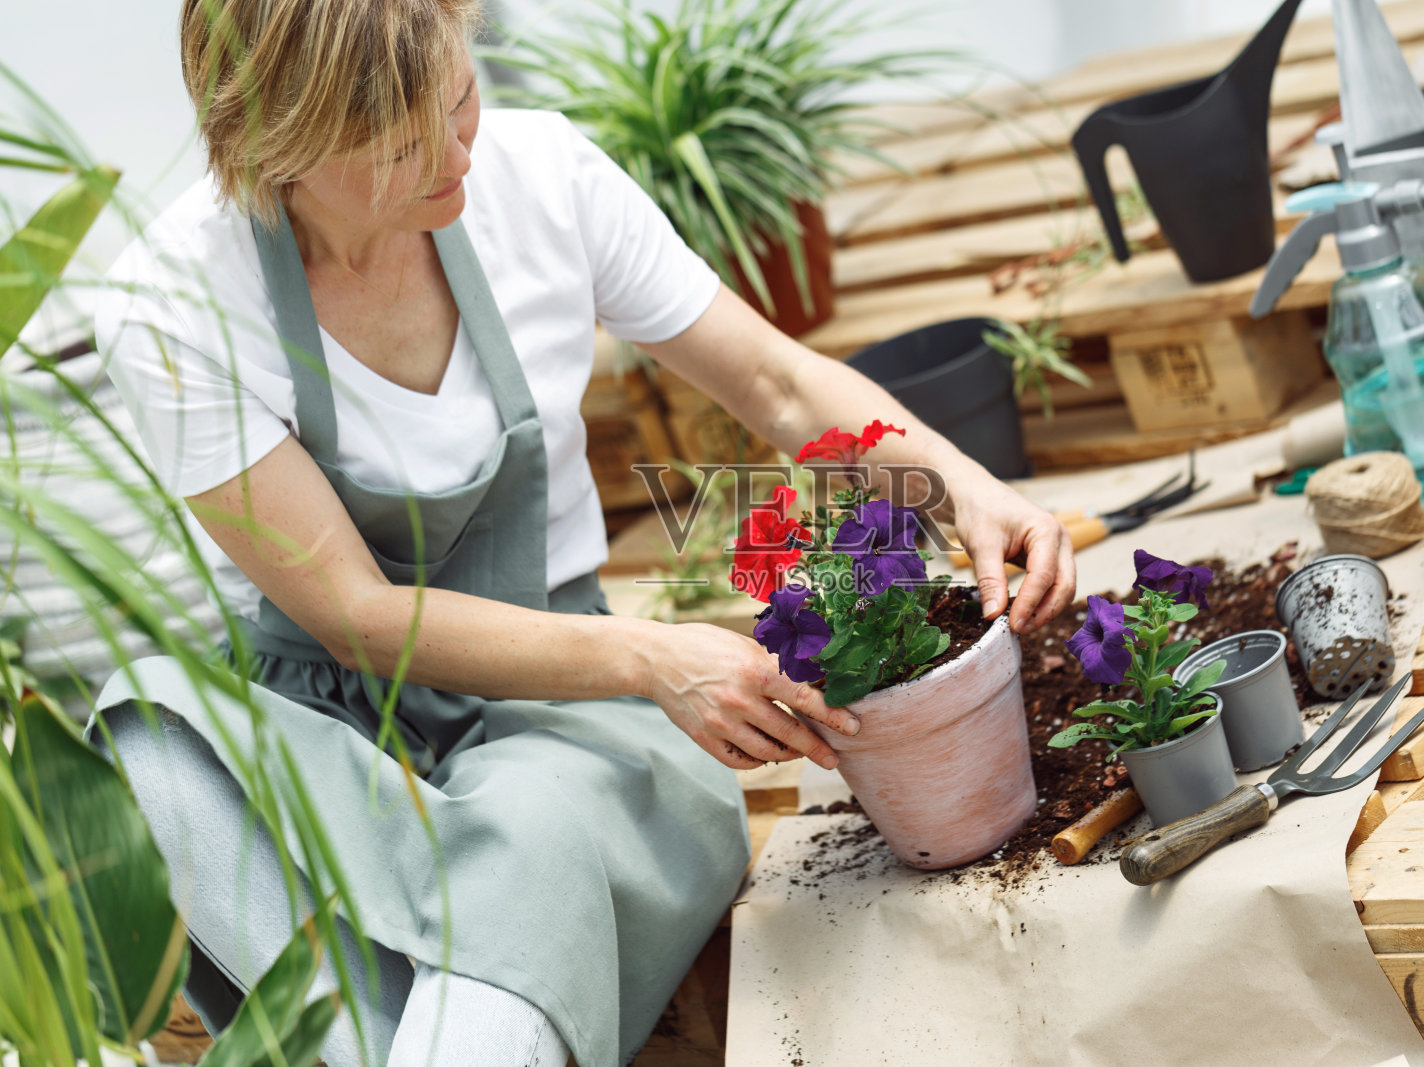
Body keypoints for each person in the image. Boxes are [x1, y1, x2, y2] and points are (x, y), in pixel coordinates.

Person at [92, 0, 1079, 1063]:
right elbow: (356, 615)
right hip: (338, 720)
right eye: (400, 146)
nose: (458, 152)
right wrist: (654, 654)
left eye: (462, 98)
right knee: (144, 730)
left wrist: (958, 485)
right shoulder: (172, 300)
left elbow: (775, 381)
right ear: (278, 146)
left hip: (560, 706)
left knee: (532, 838)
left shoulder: (545, 176)